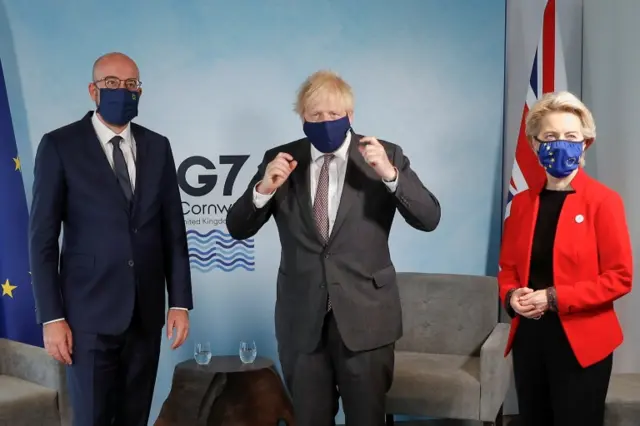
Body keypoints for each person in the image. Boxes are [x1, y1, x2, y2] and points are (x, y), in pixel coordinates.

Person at [226, 70, 441, 426]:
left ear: (350, 116)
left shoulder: (385, 155)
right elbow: (237, 227)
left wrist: (390, 175)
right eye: (315, 115)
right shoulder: (280, 159)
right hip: (302, 322)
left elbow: (429, 217)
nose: (324, 121)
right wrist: (263, 189)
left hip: (366, 320)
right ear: (302, 118)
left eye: (333, 114)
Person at [29, 52, 193, 426]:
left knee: (134, 417)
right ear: (93, 90)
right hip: (86, 316)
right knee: (92, 419)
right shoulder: (60, 146)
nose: (124, 91)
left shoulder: (158, 146)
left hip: (146, 313)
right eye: (113, 84)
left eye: (132, 84)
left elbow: (173, 230)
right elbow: (42, 239)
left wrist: (180, 302)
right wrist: (52, 317)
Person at [498, 91, 633, 426]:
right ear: (534, 144)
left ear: (585, 143)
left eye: (571, 136)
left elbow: (619, 276)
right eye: (551, 137)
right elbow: (509, 269)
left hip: (582, 344)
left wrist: (553, 297)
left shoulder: (604, 202)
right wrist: (513, 296)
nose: (561, 144)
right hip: (530, 340)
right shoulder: (523, 203)